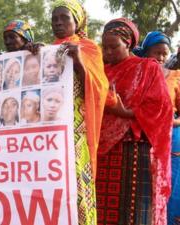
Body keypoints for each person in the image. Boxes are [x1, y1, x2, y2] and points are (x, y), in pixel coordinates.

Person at [96, 19, 172, 225]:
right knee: (101, 209)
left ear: (128, 43)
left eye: (114, 47)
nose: (108, 52)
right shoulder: (100, 71)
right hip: (101, 152)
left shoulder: (148, 68)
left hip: (133, 151)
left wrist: (125, 112)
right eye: (105, 47)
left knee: (133, 212)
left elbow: (161, 109)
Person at [50, 1, 110, 224]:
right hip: (51, 128)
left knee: (76, 179)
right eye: (54, 19)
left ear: (77, 21)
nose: (58, 22)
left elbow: (99, 88)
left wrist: (78, 62)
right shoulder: (47, 50)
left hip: (76, 128)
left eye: (64, 18)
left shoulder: (89, 48)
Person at [133, 31, 180, 224]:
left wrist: (170, 120)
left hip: (172, 142)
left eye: (165, 53)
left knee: (172, 189)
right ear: (146, 52)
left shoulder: (176, 76)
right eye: (156, 52)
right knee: (145, 189)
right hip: (144, 138)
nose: (161, 58)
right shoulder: (137, 74)